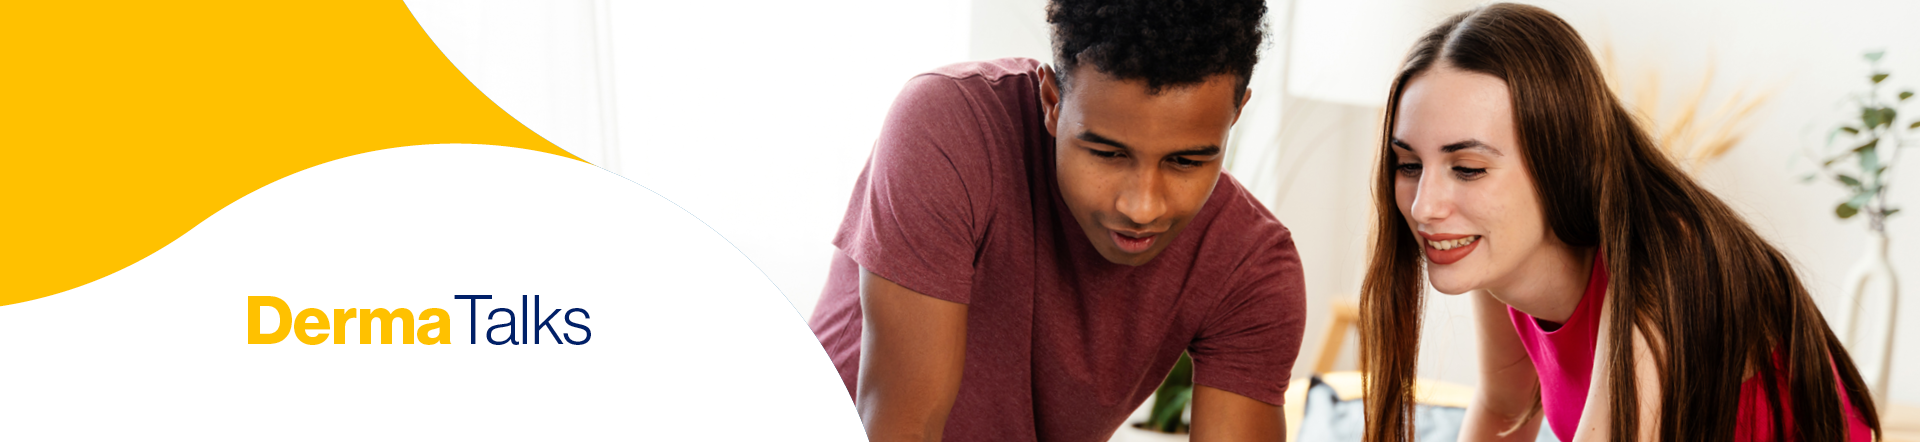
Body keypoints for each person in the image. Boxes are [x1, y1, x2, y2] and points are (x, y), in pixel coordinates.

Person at [1358, 4, 1880, 442]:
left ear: (1560, 162)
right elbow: (1502, 412)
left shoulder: (1667, 259)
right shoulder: (1494, 250)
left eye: (1468, 169)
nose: (1426, 206)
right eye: (1408, 164)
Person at [805, 1, 1306, 441]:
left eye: (1185, 162)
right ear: (1052, 100)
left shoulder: (1253, 267)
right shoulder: (949, 127)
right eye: (1108, 153)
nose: (1142, 207)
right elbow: (901, 429)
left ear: (1236, 113)